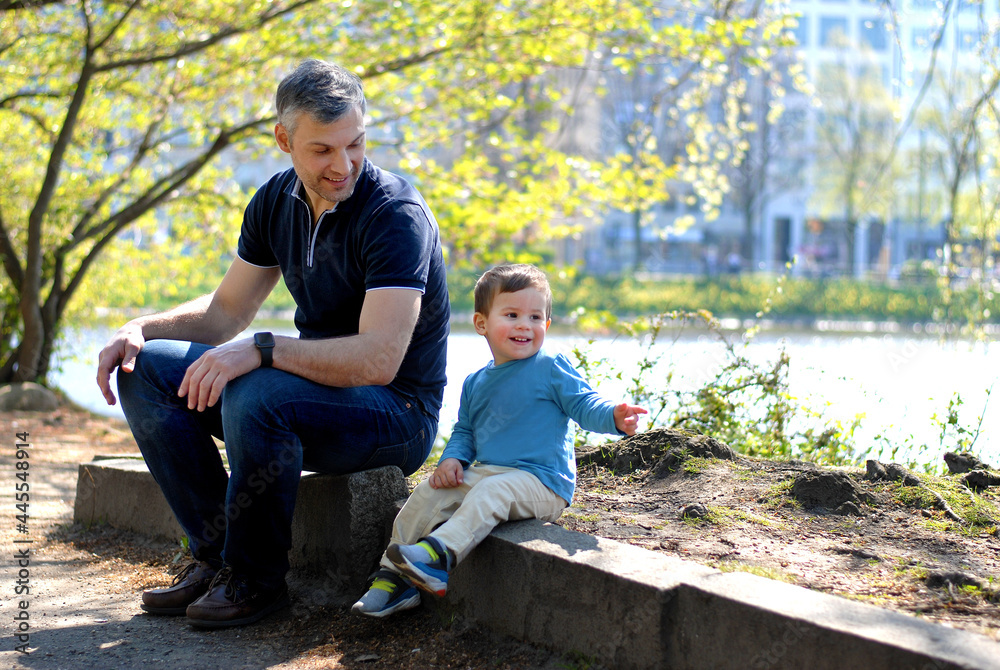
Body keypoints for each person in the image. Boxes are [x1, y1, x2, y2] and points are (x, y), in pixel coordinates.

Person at [95, 59, 450, 628]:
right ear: (283, 140)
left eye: (354, 144)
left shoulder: (394, 215)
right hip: (309, 394)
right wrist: (140, 328)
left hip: (396, 411)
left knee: (257, 390)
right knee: (146, 370)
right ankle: (213, 559)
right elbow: (223, 314)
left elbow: (380, 360)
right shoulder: (273, 200)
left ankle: (257, 580)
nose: (344, 164)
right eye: (322, 151)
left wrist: (263, 350)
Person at [352, 264, 646, 617]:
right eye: (512, 314)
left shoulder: (551, 366)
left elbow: (584, 403)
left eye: (536, 317)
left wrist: (613, 414)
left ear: (546, 326)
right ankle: (393, 577)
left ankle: (437, 556)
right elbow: (465, 432)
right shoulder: (476, 383)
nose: (525, 324)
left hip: (543, 482)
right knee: (430, 492)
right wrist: (453, 460)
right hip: (491, 471)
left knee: (492, 492)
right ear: (482, 324)